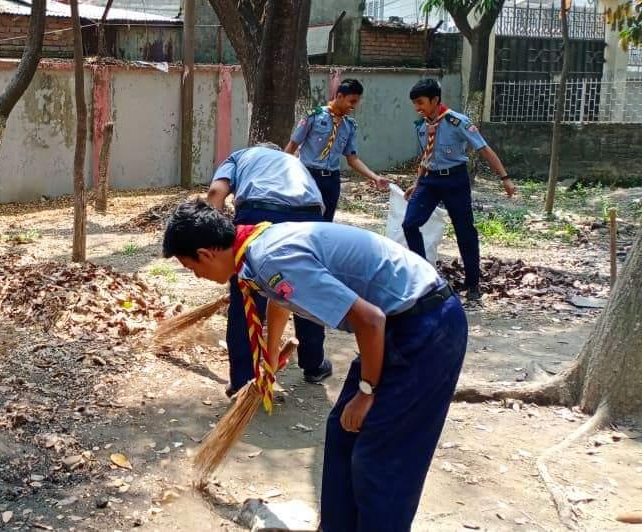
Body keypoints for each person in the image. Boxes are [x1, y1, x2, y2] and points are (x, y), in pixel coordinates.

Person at [162, 199, 468, 531]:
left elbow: (370, 320)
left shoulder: (270, 257)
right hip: (399, 324)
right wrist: (269, 357)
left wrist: (367, 392)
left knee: (380, 457)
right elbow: (282, 301)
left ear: (206, 253)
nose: (199, 276)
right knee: (342, 431)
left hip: (426, 324)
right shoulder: (257, 249)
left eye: (193, 268)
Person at [206, 144, 332, 394]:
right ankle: (313, 363)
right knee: (304, 290)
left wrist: (216, 242)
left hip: (259, 213)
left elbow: (215, 193)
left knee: (246, 298)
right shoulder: (292, 161)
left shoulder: (239, 156)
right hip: (309, 217)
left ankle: (244, 381)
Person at [403, 78, 516, 301]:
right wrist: (417, 183)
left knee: (465, 232)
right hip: (430, 182)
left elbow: (483, 149)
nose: (417, 108)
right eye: (415, 104)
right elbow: (426, 155)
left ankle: (473, 284)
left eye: (421, 103)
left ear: (435, 100)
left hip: (455, 180)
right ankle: (425, 278)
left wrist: (505, 178)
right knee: (410, 223)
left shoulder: (457, 121)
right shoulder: (422, 125)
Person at [286, 78, 390, 221]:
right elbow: (293, 145)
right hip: (308, 176)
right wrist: (282, 171)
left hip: (332, 180)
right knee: (304, 219)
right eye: (352, 101)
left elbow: (353, 159)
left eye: (356, 102)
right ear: (339, 96)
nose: (353, 106)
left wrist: (375, 177)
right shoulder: (313, 116)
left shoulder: (349, 125)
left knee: (326, 222)